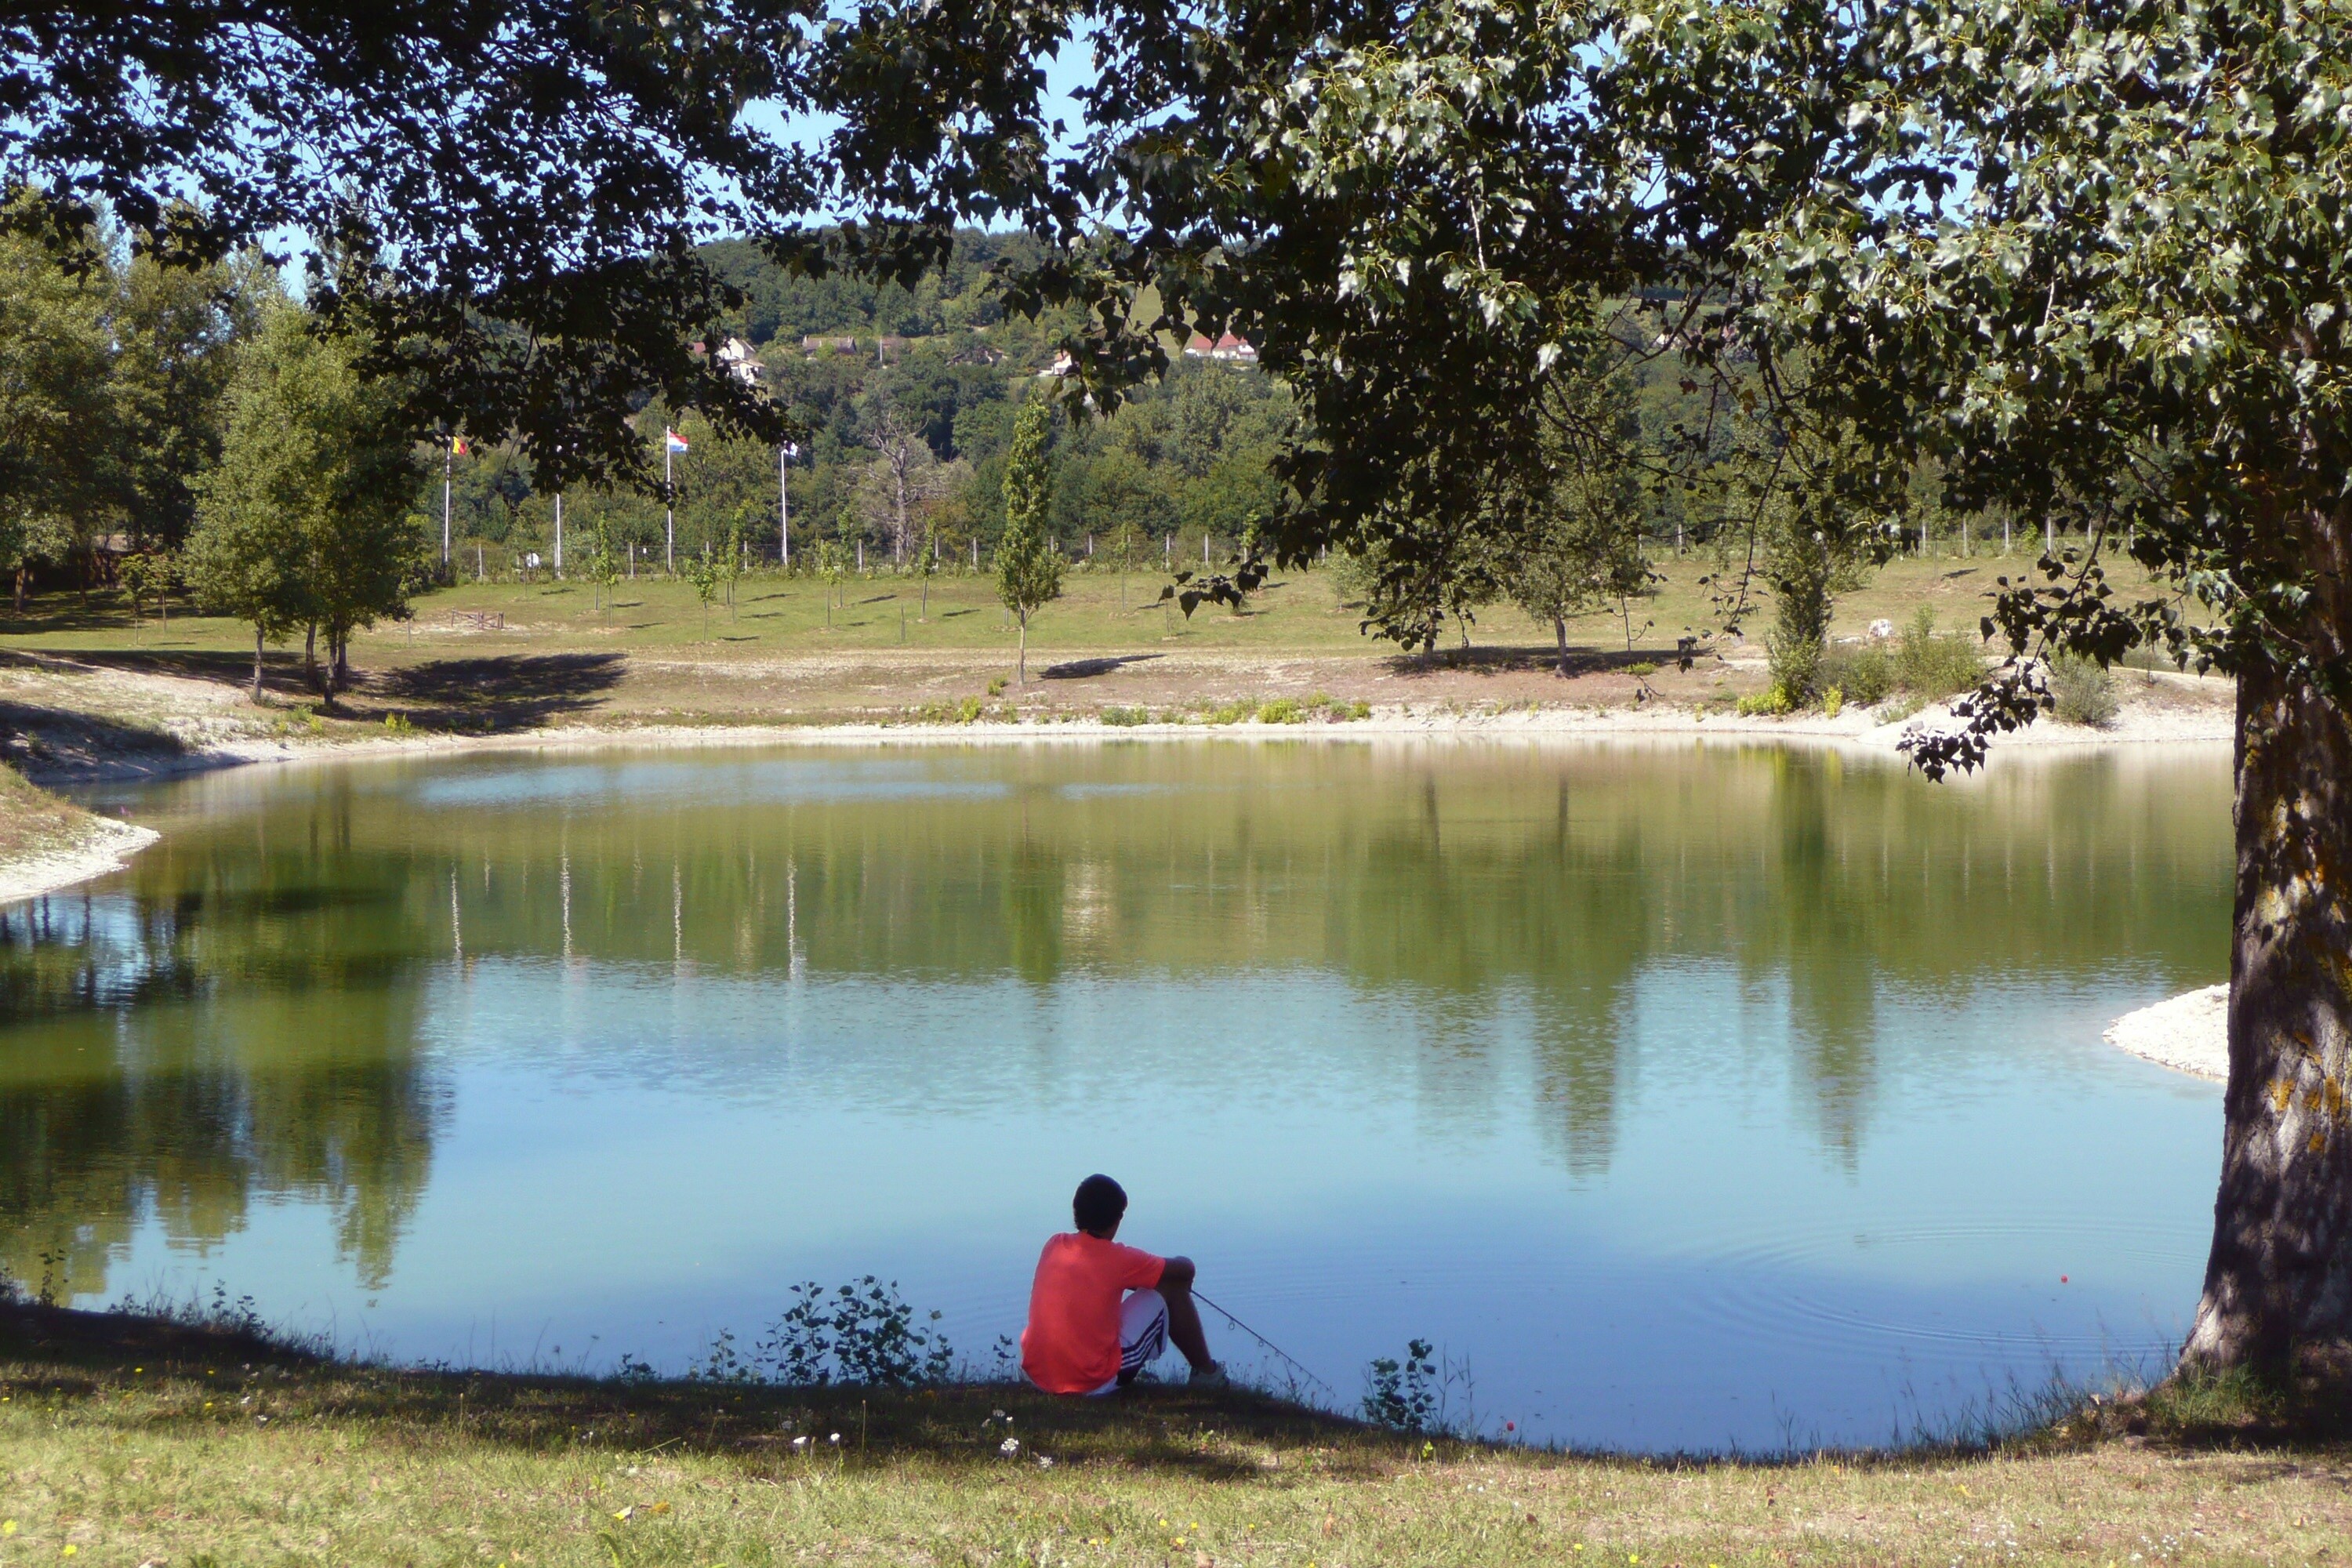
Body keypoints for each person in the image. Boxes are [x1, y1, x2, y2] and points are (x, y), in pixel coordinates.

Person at [1020, 1174, 1224, 1395]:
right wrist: (1182, 1267)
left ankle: (1206, 1376)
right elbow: (1185, 1270)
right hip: (1090, 1382)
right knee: (1172, 1288)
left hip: (1037, 1376)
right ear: (1117, 1219)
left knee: (1155, 1284)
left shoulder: (1055, 1244)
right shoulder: (1120, 1259)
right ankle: (1208, 1376)